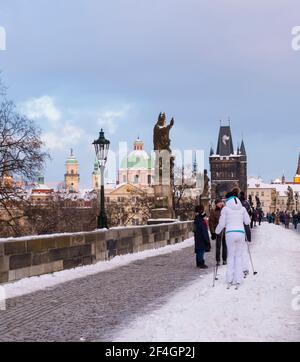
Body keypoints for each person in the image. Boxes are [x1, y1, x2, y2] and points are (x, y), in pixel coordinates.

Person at [216, 191, 251, 288]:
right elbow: (247, 221)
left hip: (230, 233)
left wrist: (217, 231)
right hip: (240, 233)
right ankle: (238, 279)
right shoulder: (242, 208)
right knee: (238, 256)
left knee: (231, 256)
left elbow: (222, 224)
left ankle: (230, 279)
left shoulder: (225, 209)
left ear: (228, 199)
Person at [209, 198, 227, 266]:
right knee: (218, 246)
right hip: (218, 231)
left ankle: (224, 259)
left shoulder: (225, 210)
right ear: (216, 204)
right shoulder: (213, 211)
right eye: (219, 203)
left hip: (225, 230)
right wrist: (212, 232)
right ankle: (218, 260)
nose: (220, 203)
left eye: (221, 202)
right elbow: (211, 223)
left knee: (225, 246)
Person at [193, 204, 211, 269]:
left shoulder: (197, 218)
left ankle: (198, 262)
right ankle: (201, 263)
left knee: (199, 250)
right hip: (201, 237)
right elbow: (203, 230)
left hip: (198, 236)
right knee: (201, 250)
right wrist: (206, 239)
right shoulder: (200, 219)